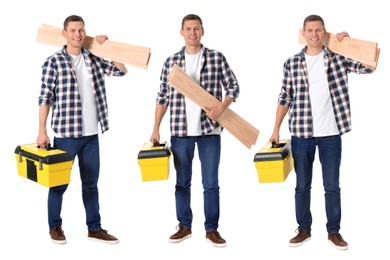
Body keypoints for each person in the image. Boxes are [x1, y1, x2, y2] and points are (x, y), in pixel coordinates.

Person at [269, 14, 375, 251]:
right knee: (302, 185)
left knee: (332, 186)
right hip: (301, 135)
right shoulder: (291, 63)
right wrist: (275, 128)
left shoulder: (338, 58)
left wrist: (349, 45)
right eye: (310, 30)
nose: (314, 35)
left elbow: (368, 66)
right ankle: (304, 229)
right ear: (303, 33)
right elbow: (284, 96)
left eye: (319, 30)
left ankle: (334, 232)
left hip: (331, 135)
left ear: (324, 32)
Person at [150, 14, 239, 248]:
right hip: (180, 132)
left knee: (211, 184)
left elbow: (234, 86)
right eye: (188, 29)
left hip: (210, 131)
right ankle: (184, 226)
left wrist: (222, 107)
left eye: (196, 29)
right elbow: (162, 97)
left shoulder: (216, 58)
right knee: (182, 183)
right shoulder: (171, 62)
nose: (192, 33)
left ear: (202, 31)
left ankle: (212, 230)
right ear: (182, 32)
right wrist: (155, 128)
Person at [36, 15, 128, 245]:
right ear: (64, 33)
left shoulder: (94, 59)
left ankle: (94, 228)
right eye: (73, 30)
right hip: (66, 137)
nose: (77, 34)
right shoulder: (53, 62)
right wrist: (41, 131)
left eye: (81, 30)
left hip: (91, 136)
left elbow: (121, 70)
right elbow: (44, 98)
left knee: (91, 186)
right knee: (58, 185)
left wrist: (108, 47)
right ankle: (55, 227)